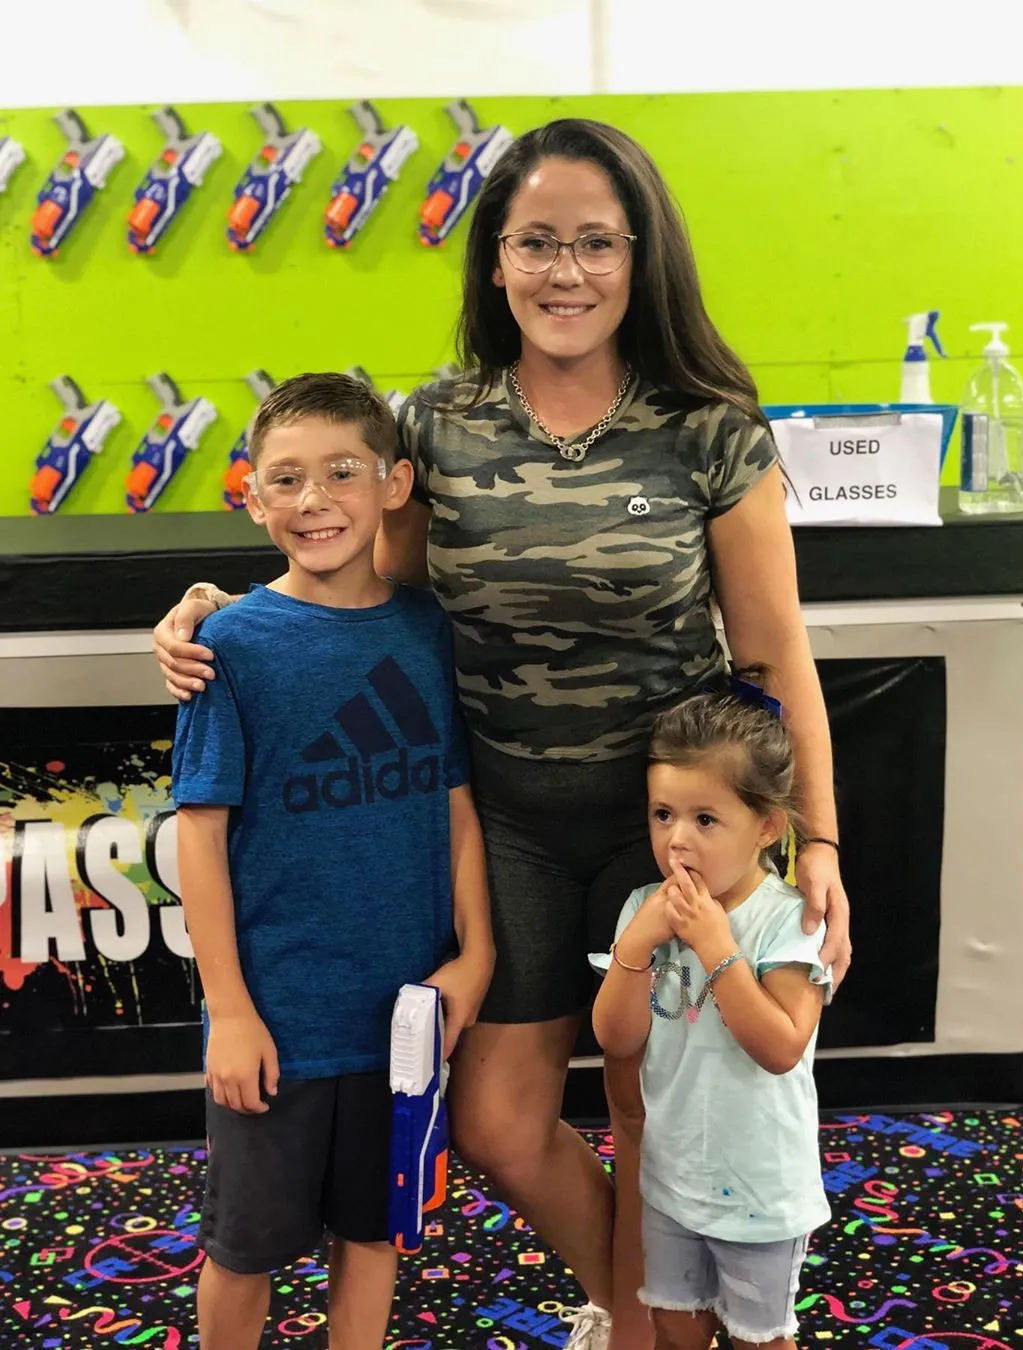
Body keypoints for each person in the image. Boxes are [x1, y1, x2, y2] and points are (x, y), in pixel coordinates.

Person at [154, 118, 851, 1350]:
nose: (564, 271)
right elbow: (360, 590)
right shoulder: (437, 427)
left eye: (596, 242)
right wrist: (218, 609)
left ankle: (650, 1334)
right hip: (505, 826)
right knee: (494, 1125)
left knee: (652, 1115)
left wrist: (822, 846)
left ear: (641, 257)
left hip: (671, 836)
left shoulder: (709, 429)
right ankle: (642, 1310)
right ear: (494, 260)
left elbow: (772, 654)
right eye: (536, 242)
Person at [171, 373, 494, 1350]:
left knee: (375, 1232)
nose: (314, 500)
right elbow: (199, 835)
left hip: (402, 1022)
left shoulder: (427, 629)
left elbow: (455, 805)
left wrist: (475, 954)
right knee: (245, 1249)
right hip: (280, 1021)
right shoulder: (228, 646)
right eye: (287, 479)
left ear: (394, 484)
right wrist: (231, 1011)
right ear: (252, 498)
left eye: (342, 472)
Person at [592, 677, 831, 1350]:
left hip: (760, 1192)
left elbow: (781, 1047)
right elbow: (615, 1038)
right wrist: (637, 943)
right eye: (663, 814)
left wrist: (717, 949)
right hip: (672, 1181)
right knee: (674, 1329)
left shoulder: (788, 921)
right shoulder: (644, 907)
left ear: (767, 826)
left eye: (705, 820)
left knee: (760, 1340)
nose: (677, 841)